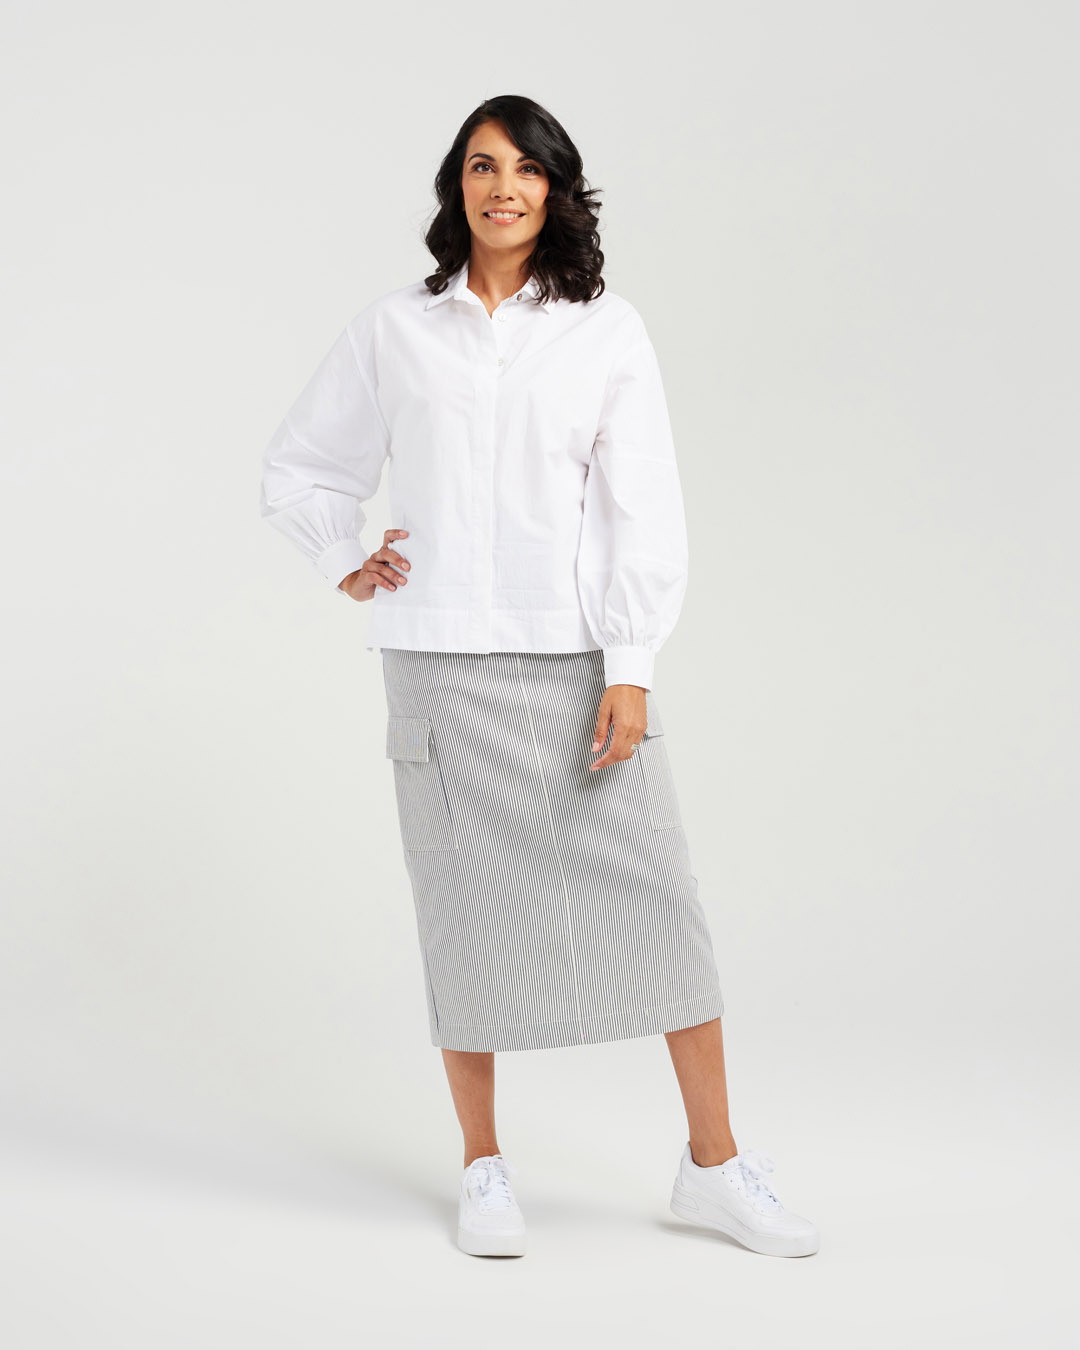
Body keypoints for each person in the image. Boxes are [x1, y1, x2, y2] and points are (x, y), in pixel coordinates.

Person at [259, 94, 819, 1260]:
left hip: (574, 661)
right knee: (463, 919)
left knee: (663, 906)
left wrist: (632, 664)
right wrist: (343, 554)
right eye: (481, 166)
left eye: (524, 168)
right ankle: (484, 1168)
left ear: (556, 189)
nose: (501, 187)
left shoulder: (606, 331)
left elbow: (641, 507)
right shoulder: (395, 329)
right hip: (434, 664)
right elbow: (303, 464)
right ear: (455, 187)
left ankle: (714, 1166)